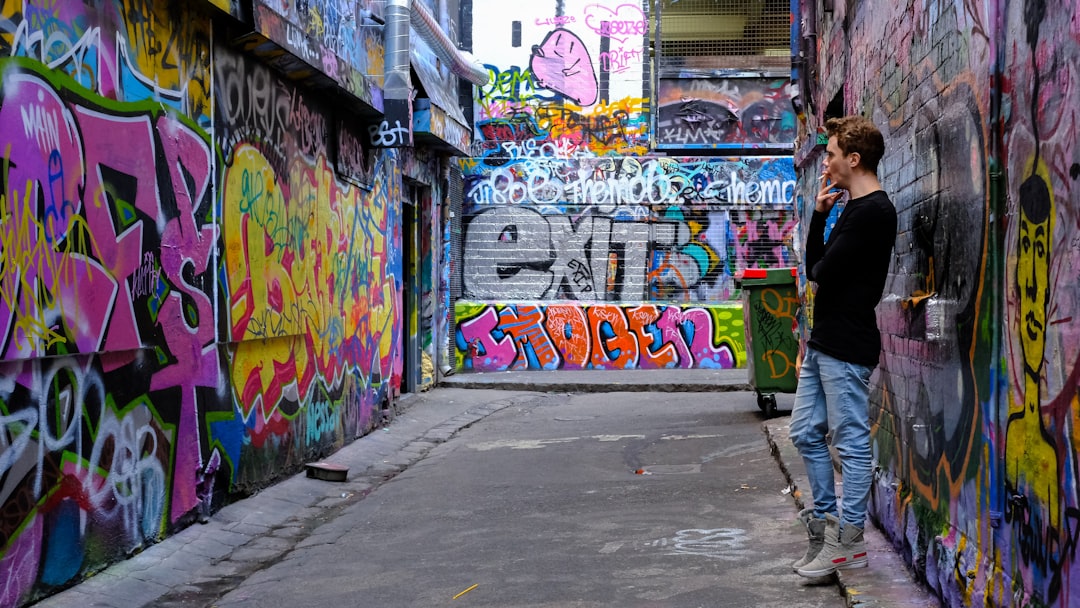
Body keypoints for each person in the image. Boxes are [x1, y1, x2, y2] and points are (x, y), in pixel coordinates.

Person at [789, 115, 897, 578]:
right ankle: (826, 528)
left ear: (854, 159)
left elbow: (821, 273)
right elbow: (816, 267)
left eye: (831, 154)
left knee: (851, 444)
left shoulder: (874, 211)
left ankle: (848, 541)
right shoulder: (851, 208)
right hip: (826, 342)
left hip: (847, 345)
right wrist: (817, 214)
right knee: (804, 433)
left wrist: (822, 246)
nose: (826, 162)